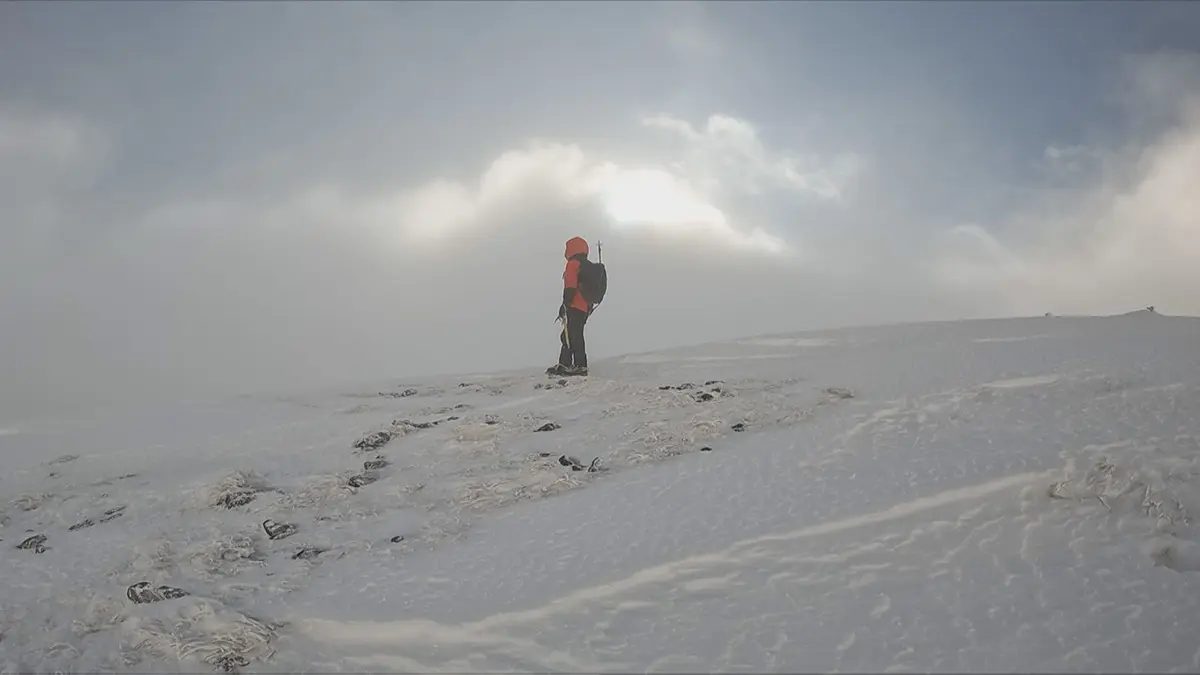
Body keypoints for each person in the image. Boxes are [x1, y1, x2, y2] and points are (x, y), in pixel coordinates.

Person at [548, 236, 592, 376]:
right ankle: (566, 364)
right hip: (585, 307)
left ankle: (579, 365)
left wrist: (565, 304)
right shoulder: (586, 264)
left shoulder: (573, 264)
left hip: (575, 305)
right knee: (569, 335)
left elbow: (570, 286)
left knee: (573, 335)